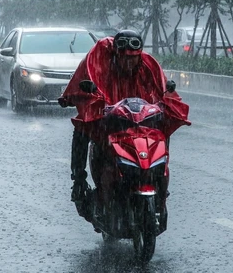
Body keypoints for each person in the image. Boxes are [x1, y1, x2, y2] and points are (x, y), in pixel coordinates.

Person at [58, 29, 190, 221]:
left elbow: (163, 91)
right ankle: (78, 180)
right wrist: (92, 100)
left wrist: (165, 102)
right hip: (110, 115)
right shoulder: (100, 60)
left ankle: (159, 178)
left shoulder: (148, 65)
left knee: (163, 127)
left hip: (140, 118)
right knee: (81, 128)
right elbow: (85, 80)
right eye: (125, 58)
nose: (129, 62)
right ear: (116, 55)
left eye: (133, 58)